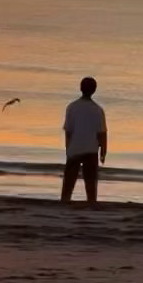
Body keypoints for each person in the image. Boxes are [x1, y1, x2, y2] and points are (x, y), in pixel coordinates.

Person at [61, 76, 107, 205]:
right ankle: (91, 202)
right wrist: (103, 151)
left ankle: (65, 201)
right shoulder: (98, 110)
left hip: (74, 148)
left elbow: (68, 131)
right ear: (94, 90)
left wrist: (68, 148)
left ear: (80, 88)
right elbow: (102, 133)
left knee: (68, 183)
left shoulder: (72, 107)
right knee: (91, 183)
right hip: (91, 149)